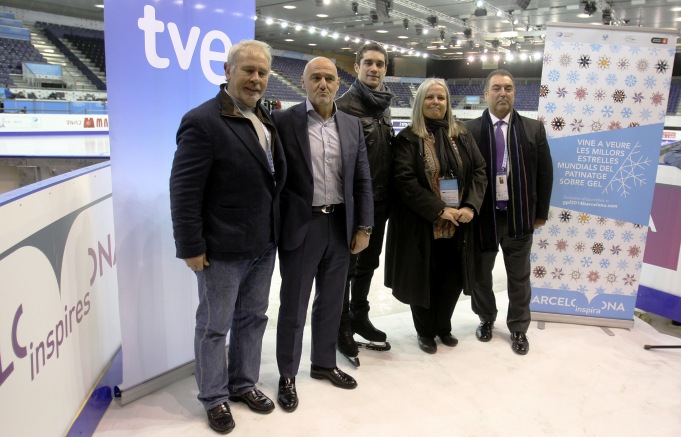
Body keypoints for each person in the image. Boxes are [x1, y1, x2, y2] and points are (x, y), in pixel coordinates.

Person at [169, 40, 286, 434]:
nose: (255, 79)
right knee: (214, 327)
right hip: (220, 249)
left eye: (262, 72)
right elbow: (184, 190)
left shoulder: (264, 117)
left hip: (262, 244)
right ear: (227, 71)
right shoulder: (202, 121)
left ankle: (243, 384)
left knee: (252, 319)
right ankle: (215, 398)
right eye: (248, 70)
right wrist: (191, 245)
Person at [272, 56, 373, 412]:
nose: (324, 84)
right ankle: (287, 374)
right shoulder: (283, 122)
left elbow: (362, 179)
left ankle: (323, 363)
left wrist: (364, 225)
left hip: (340, 225)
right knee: (294, 305)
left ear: (338, 83)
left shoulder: (351, 125)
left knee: (332, 302)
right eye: (316, 77)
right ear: (304, 82)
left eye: (330, 78)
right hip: (303, 226)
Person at [384, 78, 487, 354]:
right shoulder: (407, 139)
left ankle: (444, 326)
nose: (436, 102)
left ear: (447, 103)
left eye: (441, 98)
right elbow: (405, 181)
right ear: (420, 102)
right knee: (424, 279)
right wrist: (439, 209)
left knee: (451, 278)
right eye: (430, 98)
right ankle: (425, 331)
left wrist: (469, 207)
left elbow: (479, 171)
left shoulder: (461, 134)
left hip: (458, 224)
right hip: (421, 224)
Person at [465, 69, 553, 355]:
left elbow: (544, 174)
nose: (503, 93)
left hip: (519, 218)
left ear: (515, 93)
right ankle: (486, 318)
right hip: (482, 219)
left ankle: (518, 328)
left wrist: (540, 213)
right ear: (486, 94)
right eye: (497, 88)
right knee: (480, 277)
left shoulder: (533, 129)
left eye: (509, 88)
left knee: (519, 278)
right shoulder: (469, 130)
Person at [335, 41, 394, 362]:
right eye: (368, 63)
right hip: (354, 206)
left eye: (380, 64)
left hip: (380, 204)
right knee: (347, 268)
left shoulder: (383, 105)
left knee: (368, 265)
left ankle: (359, 314)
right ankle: (340, 324)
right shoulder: (344, 106)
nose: (374, 68)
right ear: (356, 66)